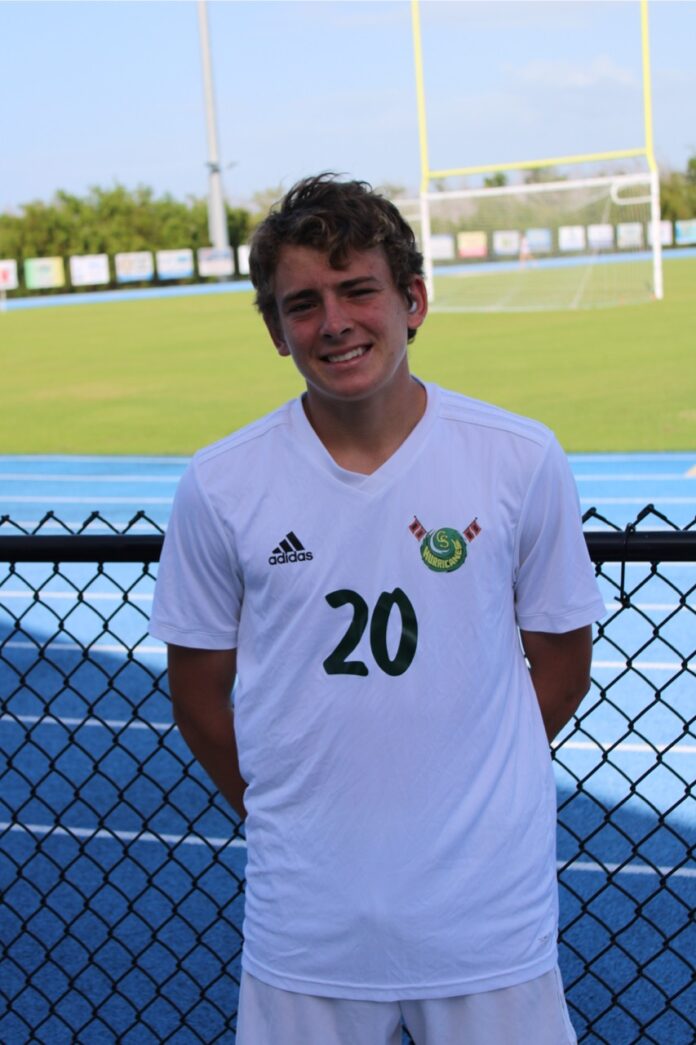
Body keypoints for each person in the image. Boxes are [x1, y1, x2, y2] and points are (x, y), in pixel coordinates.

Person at [149, 173, 605, 1045]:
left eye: (358, 289)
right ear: (277, 332)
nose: (335, 322)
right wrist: (289, 806)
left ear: (413, 300)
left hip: (485, 915)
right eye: (303, 303)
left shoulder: (517, 457)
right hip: (309, 920)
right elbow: (199, 691)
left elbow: (562, 661)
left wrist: (469, 779)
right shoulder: (221, 482)